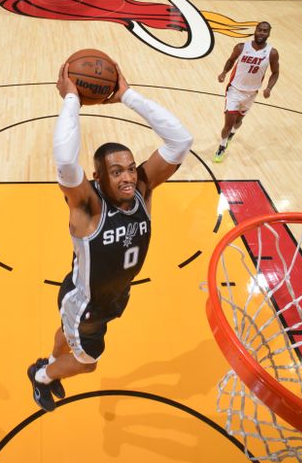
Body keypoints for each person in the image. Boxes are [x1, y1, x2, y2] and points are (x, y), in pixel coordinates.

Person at [26, 61, 194, 412]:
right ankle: (42, 375)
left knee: (67, 336)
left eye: (131, 169)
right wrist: (71, 98)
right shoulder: (89, 208)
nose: (129, 178)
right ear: (97, 178)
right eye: (116, 172)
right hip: (86, 305)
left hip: (114, 296)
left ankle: (53, 358)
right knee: (88, 362)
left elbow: (181, 141)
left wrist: (128, 96)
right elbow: (65, 162)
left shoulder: (143, 190)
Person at [213, 21, 279, 163]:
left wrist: (269, 88)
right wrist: (224, 72)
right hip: (234, 91)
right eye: (260, 30)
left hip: (251, 93)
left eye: (265, 31)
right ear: (255, 30)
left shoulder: (272, 53)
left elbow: (275, 73)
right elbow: (231, 60)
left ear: (269, 33)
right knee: (228, 123)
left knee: (238, 121)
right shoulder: (241, 47)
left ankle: (232, 135)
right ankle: (222, 146)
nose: (262, 33)